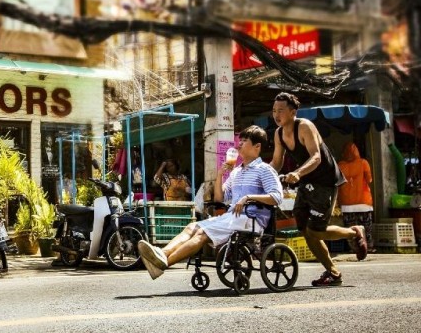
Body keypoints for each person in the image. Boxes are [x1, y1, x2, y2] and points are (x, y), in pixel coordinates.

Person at [137, 125, 283, 280]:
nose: (239, 144)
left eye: (244, 141)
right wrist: (220, 174)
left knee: (203, 233)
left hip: (250, 219)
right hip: (233, 218)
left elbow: (277, 196)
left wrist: (248, 197)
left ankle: (163, 263)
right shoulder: (236, 172)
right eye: (240, 140)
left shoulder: (264, 169)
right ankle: (162, 254)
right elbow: (220, 198)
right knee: (192, 227)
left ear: (257, 146)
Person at [270, 92, 367, 287]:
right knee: (305, 230)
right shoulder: (279, 134)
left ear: (293, 112)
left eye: (281, 110)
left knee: (317, 230)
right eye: (274, 110)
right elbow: (277, 162)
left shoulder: (304, 126)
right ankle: (333, 273)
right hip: (306, 182)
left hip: (325, 181)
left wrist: (297, 173)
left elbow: (316, 157)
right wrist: (260, 175)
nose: (276, 115)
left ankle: (354, 233)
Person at [338, 141, 375, 253]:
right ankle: (368, 247)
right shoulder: (363, 163)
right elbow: (369, 179)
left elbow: (337, 182)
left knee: (351, 229)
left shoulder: (340, 165)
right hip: (363, 202)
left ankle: (354, 248)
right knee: (366, 227)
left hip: (347, 203)